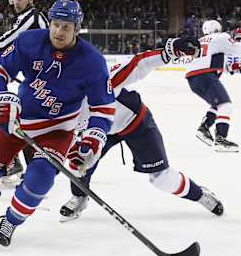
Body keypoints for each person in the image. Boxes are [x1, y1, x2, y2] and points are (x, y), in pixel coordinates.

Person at [0, 0, 115, 247]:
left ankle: (11, 221)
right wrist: (0, 97)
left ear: (77, 28)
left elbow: (103, 108)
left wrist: (94, 138)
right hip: (18, 119)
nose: (59, 32)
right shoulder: (30, 41)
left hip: (57, 130)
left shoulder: (92, 62)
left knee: (40, 178)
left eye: (66, 27)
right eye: (56, 24)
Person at [60, 38, 224, 221]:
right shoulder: (58, 99)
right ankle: (79, 197)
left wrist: (171, 51)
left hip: (135, 123)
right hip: (100, 132)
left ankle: (200, 195)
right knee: (78, 163)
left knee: (162, 179)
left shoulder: (102, 80)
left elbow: (138, 64)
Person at [0, 0, 50, 183]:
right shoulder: (25, 18)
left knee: (28, 124)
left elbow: (5, 42)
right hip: (37, 78)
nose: (16, 2)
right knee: (26, 123)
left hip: (44, 79)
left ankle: (33, 171)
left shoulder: (32, 16)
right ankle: (29, 170)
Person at [185, 20, 241, 152]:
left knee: (217, 105)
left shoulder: (201, 41)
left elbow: (213, 61)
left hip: (193, 79)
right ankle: (220, 139)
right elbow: (240, 50)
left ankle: (204, 128)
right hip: (205, 75)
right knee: (226, 105)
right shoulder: (220, 37)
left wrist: (232, 67)